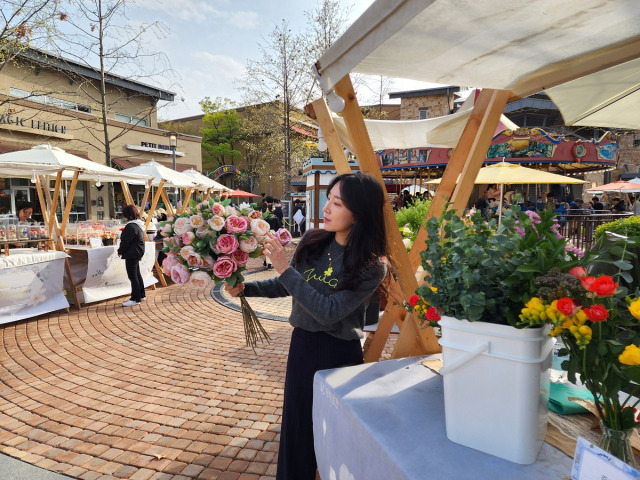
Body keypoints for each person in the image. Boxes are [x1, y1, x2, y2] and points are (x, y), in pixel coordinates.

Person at [225, 173, 389, 480]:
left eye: (336, 203)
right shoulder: (315, 241)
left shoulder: (372, 264)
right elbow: (286, 286)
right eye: (328, 199)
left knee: (332, 438)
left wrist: (285, 268)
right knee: (296, 431)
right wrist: (246, 289)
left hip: (338, 354)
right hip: (302, 347)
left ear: (359, 212)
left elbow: (329, 313)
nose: (326, 208)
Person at [117, 205, 146, 307]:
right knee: (137, 274)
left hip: (132, 253)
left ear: (127, 215)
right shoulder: (137, 224)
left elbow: (125, 241)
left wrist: (120, 251)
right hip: (137, 252)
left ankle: (135, 298)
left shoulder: (130, 226)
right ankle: (141, 294)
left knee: (132, 276)